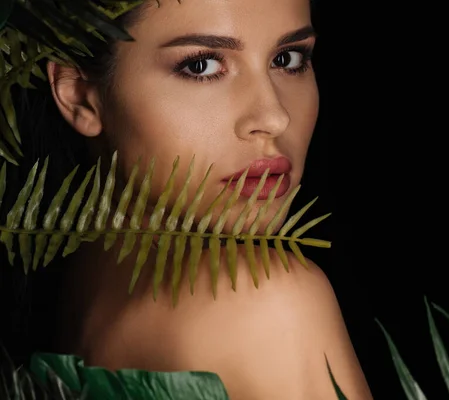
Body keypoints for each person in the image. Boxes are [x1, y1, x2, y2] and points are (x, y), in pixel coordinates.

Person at [1, 0, 374, 398]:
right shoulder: (265, 300)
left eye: (288, 58)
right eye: (202, 66)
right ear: (79, 95)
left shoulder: (71, 285)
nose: (273, 116)